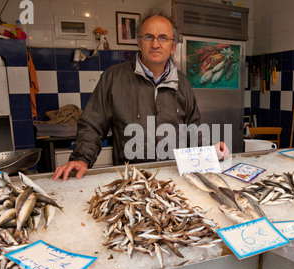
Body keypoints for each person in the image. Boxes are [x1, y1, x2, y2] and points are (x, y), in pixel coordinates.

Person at [52, 11, 230, 181]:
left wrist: (210, 148)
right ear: (139, 42)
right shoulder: (113, 77)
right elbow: (92, 126)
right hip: (131, 180)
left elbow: (193, 127)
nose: (155, 44)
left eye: (163, 38)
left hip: (176, 177)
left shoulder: (182, 83)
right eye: (148, 37)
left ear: (172, 47)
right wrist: (81, 158)